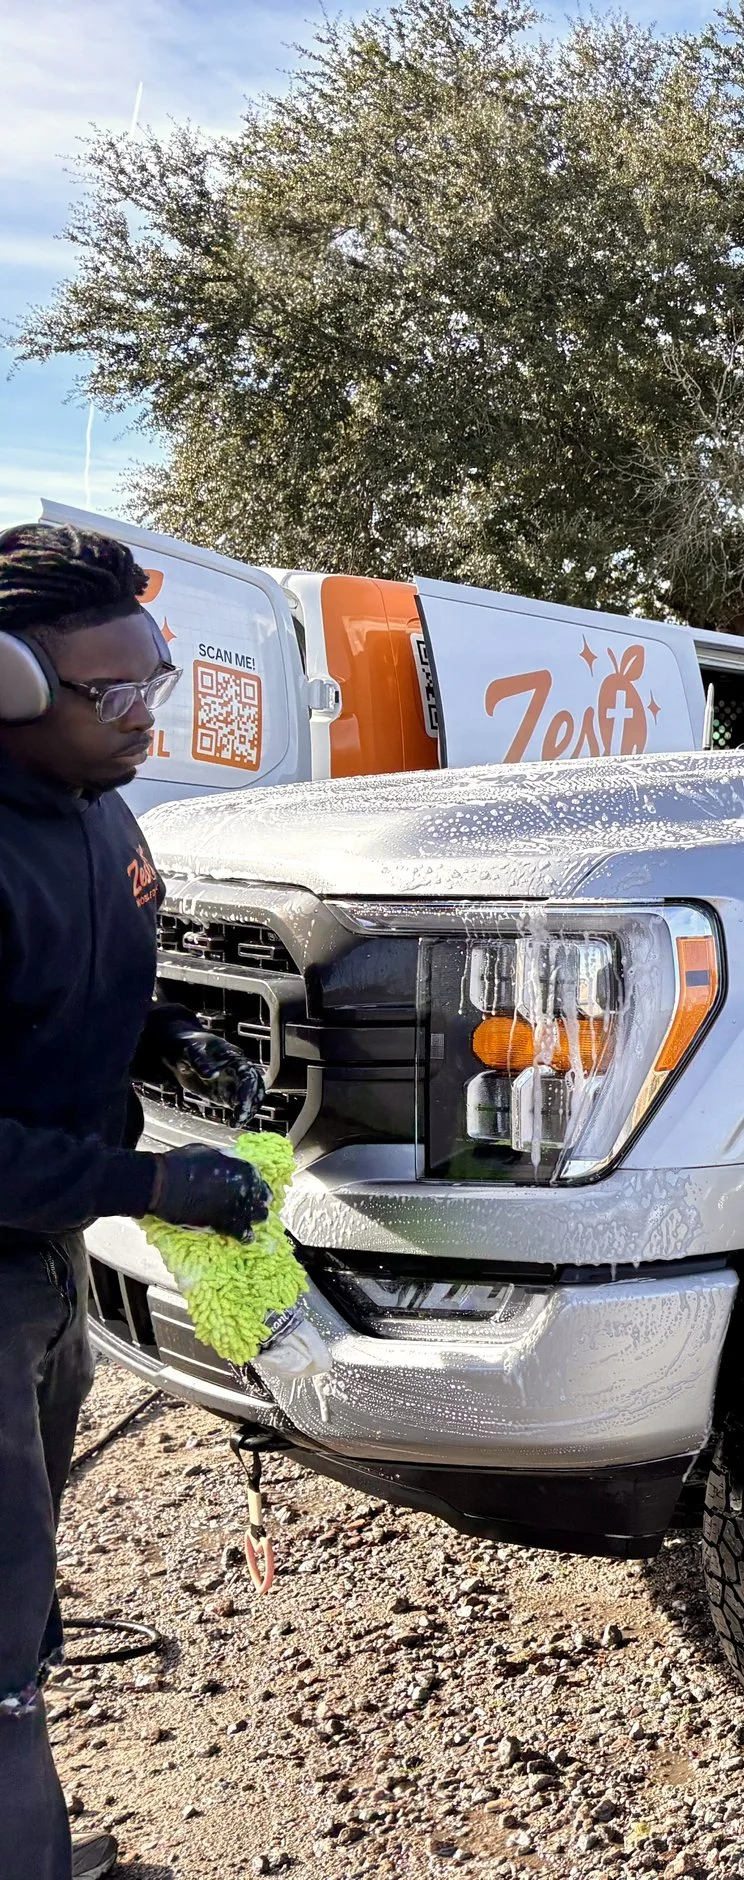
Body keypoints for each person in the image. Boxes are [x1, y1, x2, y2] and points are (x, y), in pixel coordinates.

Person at [0, 521, 275, 1880]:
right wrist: (151, 1181)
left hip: (46, 1261)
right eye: (116, 697)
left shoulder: (105, 811)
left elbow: (76, 978)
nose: (148, 720)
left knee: (19, 1592)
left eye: (155, 680)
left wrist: (167, 1036)